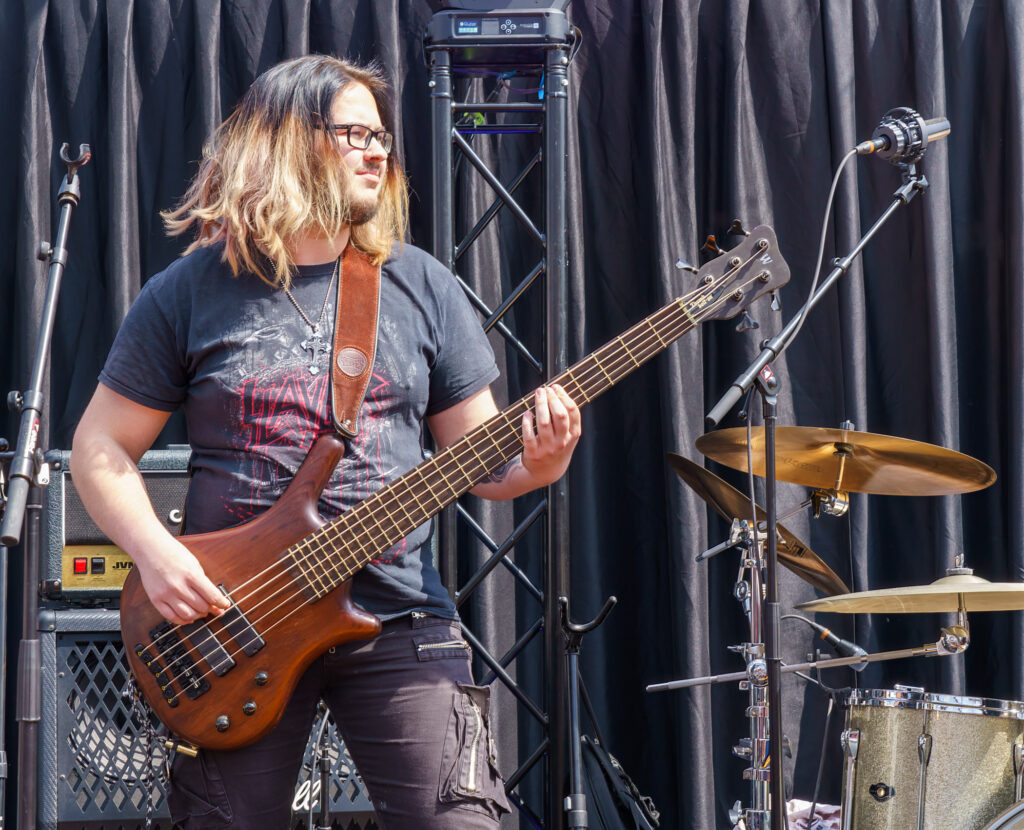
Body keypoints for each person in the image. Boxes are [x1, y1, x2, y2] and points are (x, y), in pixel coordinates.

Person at [71, 54, 580, 830]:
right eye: (354, 134)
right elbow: (99, 447)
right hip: (233, 628)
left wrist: (541, 462)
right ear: (287, 141)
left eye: (382, 137)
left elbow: (488, 463)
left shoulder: (422, 285)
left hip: (399, 616)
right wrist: (155, 553)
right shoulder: (190, 289)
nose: (379, 151)